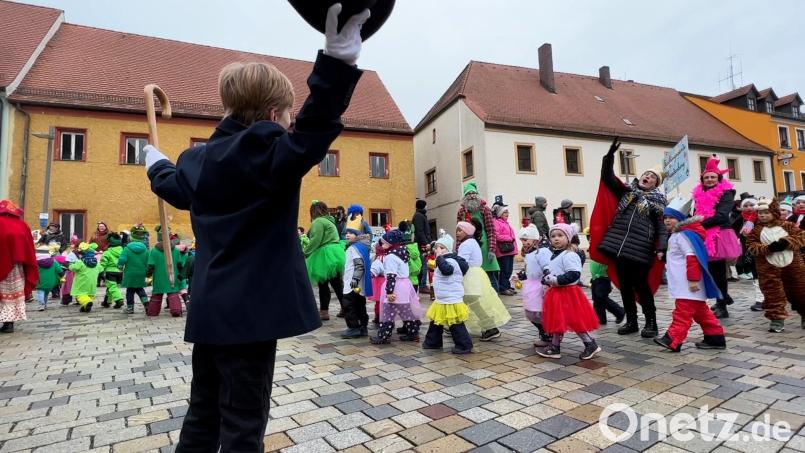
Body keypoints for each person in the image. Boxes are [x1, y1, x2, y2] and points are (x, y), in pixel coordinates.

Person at [143, 5, 368, 449]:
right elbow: (315, 131)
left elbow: (176, 187)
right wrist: (337, 63)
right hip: (252, 315)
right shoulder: (269, 152)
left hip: (210, 309)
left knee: (204, 411)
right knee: (245, 420)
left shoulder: (196, 160)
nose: (290, 124)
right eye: (287, 115)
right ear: (271, 114)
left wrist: (156, 165)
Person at [592, 137, 667, 338]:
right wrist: (608, 157)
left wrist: (662, 248)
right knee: (625, 287)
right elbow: (608, 179)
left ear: (656, 183)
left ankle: (651, 323)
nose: (647, 177)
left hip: (641, 250)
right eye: (645, 174)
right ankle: (632, 321)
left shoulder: (658, 203)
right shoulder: (627, 193)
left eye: (652, 177)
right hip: (619, 247)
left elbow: (662, 228)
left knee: (642, 287)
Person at [654, 198, 726, 352]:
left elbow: (692, 257)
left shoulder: (683, 235)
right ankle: (715, 338)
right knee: (701, 313)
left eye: (671, 217)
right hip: (684, 283)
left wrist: (693, 280)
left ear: (680, 218)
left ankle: (673, 339)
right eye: (665, 218)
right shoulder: (676, 235)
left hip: (689, 284)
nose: (667, 221)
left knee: (683, 312)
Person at [536, 223, 601, 360]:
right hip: (557, 293)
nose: (556, 238)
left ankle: (590, 344)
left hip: (567, 293)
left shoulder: (570, 255)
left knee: (574, 320)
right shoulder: (556, 254)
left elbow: (574, 274)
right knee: (558, 321)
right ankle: (555, 347)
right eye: (553, 236)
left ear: (568, 238)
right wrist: (546, 278)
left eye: (560, 235)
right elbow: (553, 271)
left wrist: (555, 280)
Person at [691, 155, 742, 319]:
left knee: (718, 271)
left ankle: (722, 305)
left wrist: (698, 226)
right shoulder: (699, 193)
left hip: (719, 234)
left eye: (713, 177)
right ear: (702, 180)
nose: (710, 180)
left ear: (719, 178)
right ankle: (723, 297)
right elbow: (697, 213)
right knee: (710, 271)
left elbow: (721, 216)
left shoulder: (726, 193)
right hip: (704, 234)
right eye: (707, 177)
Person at [745, 198, 805, 332]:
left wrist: (786, 242)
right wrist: (768, 248)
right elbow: (751, 246)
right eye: (760, 213)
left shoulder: (788, 225)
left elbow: (801, 237)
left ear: (774, 212)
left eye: (766, 213)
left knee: (800, 292)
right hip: (768, 268)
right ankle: (776, 319)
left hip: (793, 265)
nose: (762, 215)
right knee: (772, 294)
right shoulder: (756, 231)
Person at [456, 219, 511, 341]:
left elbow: (461, 262)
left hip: (469, 275)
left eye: (460, 230)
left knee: (466, 301)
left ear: (467, 231)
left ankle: (489, 327)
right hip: (476, 274)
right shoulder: (472, 242)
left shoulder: (466, 244)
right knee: (470, 302)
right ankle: (454, 325)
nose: (457, 233)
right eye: (457, 230)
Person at [422, 233, 473, 354]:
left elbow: (447, 271)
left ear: (448, 249)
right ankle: (432, 342)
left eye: (442, 248)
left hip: (450, 298)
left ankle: (464, 345)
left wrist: (439, 257)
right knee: (436, 320)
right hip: (443, 297)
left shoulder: (449, 260)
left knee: (455, 323)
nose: (438, 250)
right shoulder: (448, 259)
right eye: (437, 247)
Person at [370, 229, 423, 344]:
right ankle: (413, 333)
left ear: (391, 243)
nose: (381, 244)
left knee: (387, 312)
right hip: (404, 285)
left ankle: (383, 336)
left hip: (396, 286)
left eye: (383, 242)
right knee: (405, 310)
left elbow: (391, 276)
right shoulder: (402, 253)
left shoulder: (390, 257)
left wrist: (389, 292)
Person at [304, 200, 347, 320]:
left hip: (324, 254)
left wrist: (305, 252)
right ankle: (346, 308)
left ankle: (324, 312)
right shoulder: (330, 221)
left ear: (313, 211)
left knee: (323, 285)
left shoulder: (318, 221)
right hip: (335, 253)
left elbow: (316, 240)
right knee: (337, 284)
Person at [0, 200, 37, 333]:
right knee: (11, 294)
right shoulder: (22, 225)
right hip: (16, 267)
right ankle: (9, 323)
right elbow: (29, 248)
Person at [456, 182, 500, 292]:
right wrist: (458, 248)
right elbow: (459, 230)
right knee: (472, 275)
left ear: (477, 194)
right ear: (465, 197)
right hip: (468, 245)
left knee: (489, 275)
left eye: (473, 193)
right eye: (468, 193)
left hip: (484, 245)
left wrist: (491, 249)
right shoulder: (462, 211)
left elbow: (491, 230)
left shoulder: (484, 209)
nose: (471, 196)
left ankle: (494, 298)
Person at [514, 224, 552, 347]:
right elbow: (530, 270)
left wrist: (547, 282)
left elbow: (547, 267)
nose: (523, 243)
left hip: (541, 286)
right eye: (522, 241)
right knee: (531, 313)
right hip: (531, 287)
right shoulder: (529, 253)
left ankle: (549, 335)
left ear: (535, 239)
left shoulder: (543, 251)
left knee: (540, 312)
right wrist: (520, 276)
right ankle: (545, 333)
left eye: (525, 240)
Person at [340, 215, 373, 339]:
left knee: (349, 305)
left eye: (351, 233)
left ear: (357, 234)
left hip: (352, 284)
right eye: (347, 233)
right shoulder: (359, 247)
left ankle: (354, 327)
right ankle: (362, 326)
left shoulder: (354, 248)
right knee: (359, 304)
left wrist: (354, 280)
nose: (347, 235)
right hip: (357, 285)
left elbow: (359, 266)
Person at [584, 228, 625, 325]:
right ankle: (600, 318)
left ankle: (619, 311)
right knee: (596, 299)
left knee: (601, 297)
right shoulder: (592, 247)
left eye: (592, 237)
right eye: (588, 238)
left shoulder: (603, 247)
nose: (590, 239)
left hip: (603, 277)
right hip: (595, 278)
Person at [146, 235, 183, 317]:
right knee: (173, 293)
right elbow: (180, 264)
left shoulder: (154, 251)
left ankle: (153, 311)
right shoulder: (176, 250)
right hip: (172, 275)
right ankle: (176, 310)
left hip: (159, 277)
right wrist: (181, 274)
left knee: (157, 294)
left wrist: (148, 275)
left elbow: (151, 265)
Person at [492, 199, 519, 296]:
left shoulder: (505, 223)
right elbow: (497, 235)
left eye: (507, 212)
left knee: (509, 270)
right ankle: (503, 288)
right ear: (500, 213)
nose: (507, 214)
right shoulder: (496, 222)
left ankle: (506, 286)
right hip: (503, 251)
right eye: (505, 212)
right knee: (504, 270)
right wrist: (509, 238)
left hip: (509, 250)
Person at [118, 233, 150, 314]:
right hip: (141, 272)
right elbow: (148, 261)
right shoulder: (145, 249)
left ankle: (130, 308)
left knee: (130, 291)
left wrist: (120, 267)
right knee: (140, 289)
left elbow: (122, 259)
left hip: (130, 273)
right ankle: (146, 303)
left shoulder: (127, 249)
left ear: (130, 240)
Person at [70, 242, 101, 313]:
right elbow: (101, 269)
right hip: (92, 282)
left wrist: (70, 265)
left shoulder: (80, 262)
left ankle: (87, 303)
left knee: (80, 294)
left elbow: (73, 268)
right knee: (90, 294)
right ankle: (85, 306)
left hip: (82, 281)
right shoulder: (96, 263)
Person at [99, 232, 125, 309]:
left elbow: (103, 263)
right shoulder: (123, 251)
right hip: (120, 272)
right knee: (111, 287)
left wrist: (100, 271)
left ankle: (119, 300)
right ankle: (107, 302)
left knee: (112, 287)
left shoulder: (107, 252)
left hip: (110, 272)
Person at [412, 199, 432, 293]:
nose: (427, 207)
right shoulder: (418, 216)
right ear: (423, 206)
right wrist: (426, 242)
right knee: (423, 265)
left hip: (423, 243)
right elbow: (420, 231)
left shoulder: (421, 215)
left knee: (423, 264)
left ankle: (422, 284)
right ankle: (422, 285)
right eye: (426, 205)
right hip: (421, 245)